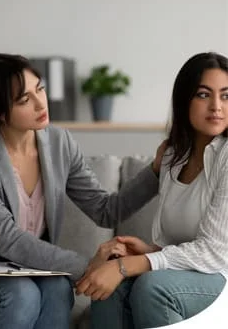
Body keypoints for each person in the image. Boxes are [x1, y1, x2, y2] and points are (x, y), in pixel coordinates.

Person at [0, 52, 163, 329]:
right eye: (25, 99)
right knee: (21, 295)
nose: (41, 103)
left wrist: (156, 170)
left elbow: (105, 210)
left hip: (25, 269)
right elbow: (9, 241)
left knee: (58, 288)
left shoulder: (59, 143)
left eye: (40, 89)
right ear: (1, 112)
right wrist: (90, 265)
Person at [76, 51, 228, 328]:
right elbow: (176, 241)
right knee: (109, 292)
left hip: (222, 274)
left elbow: (214, 252)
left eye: (226, 95)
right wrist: (143, 250)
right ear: (185, 101)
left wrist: (131, 265)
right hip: (186, 272)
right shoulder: (172, 155)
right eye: (204, 94)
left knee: (152, 287)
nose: (216, 106)